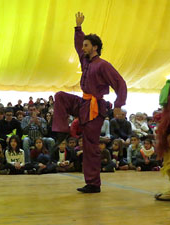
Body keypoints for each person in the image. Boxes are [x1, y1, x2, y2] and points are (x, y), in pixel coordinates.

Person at [52, 12, 127, 193]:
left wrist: (118, 105)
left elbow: (120, 83)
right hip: (83, 103)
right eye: (84, 45)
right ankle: (61, 132)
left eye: (87, 45)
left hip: (95, 108)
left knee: (90, 145)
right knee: (60, 96)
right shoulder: (85, 60)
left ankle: (93, 183)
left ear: (95, 47)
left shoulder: (103, 65)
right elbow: (78, 45)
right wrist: (78, 28)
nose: (83, 48)